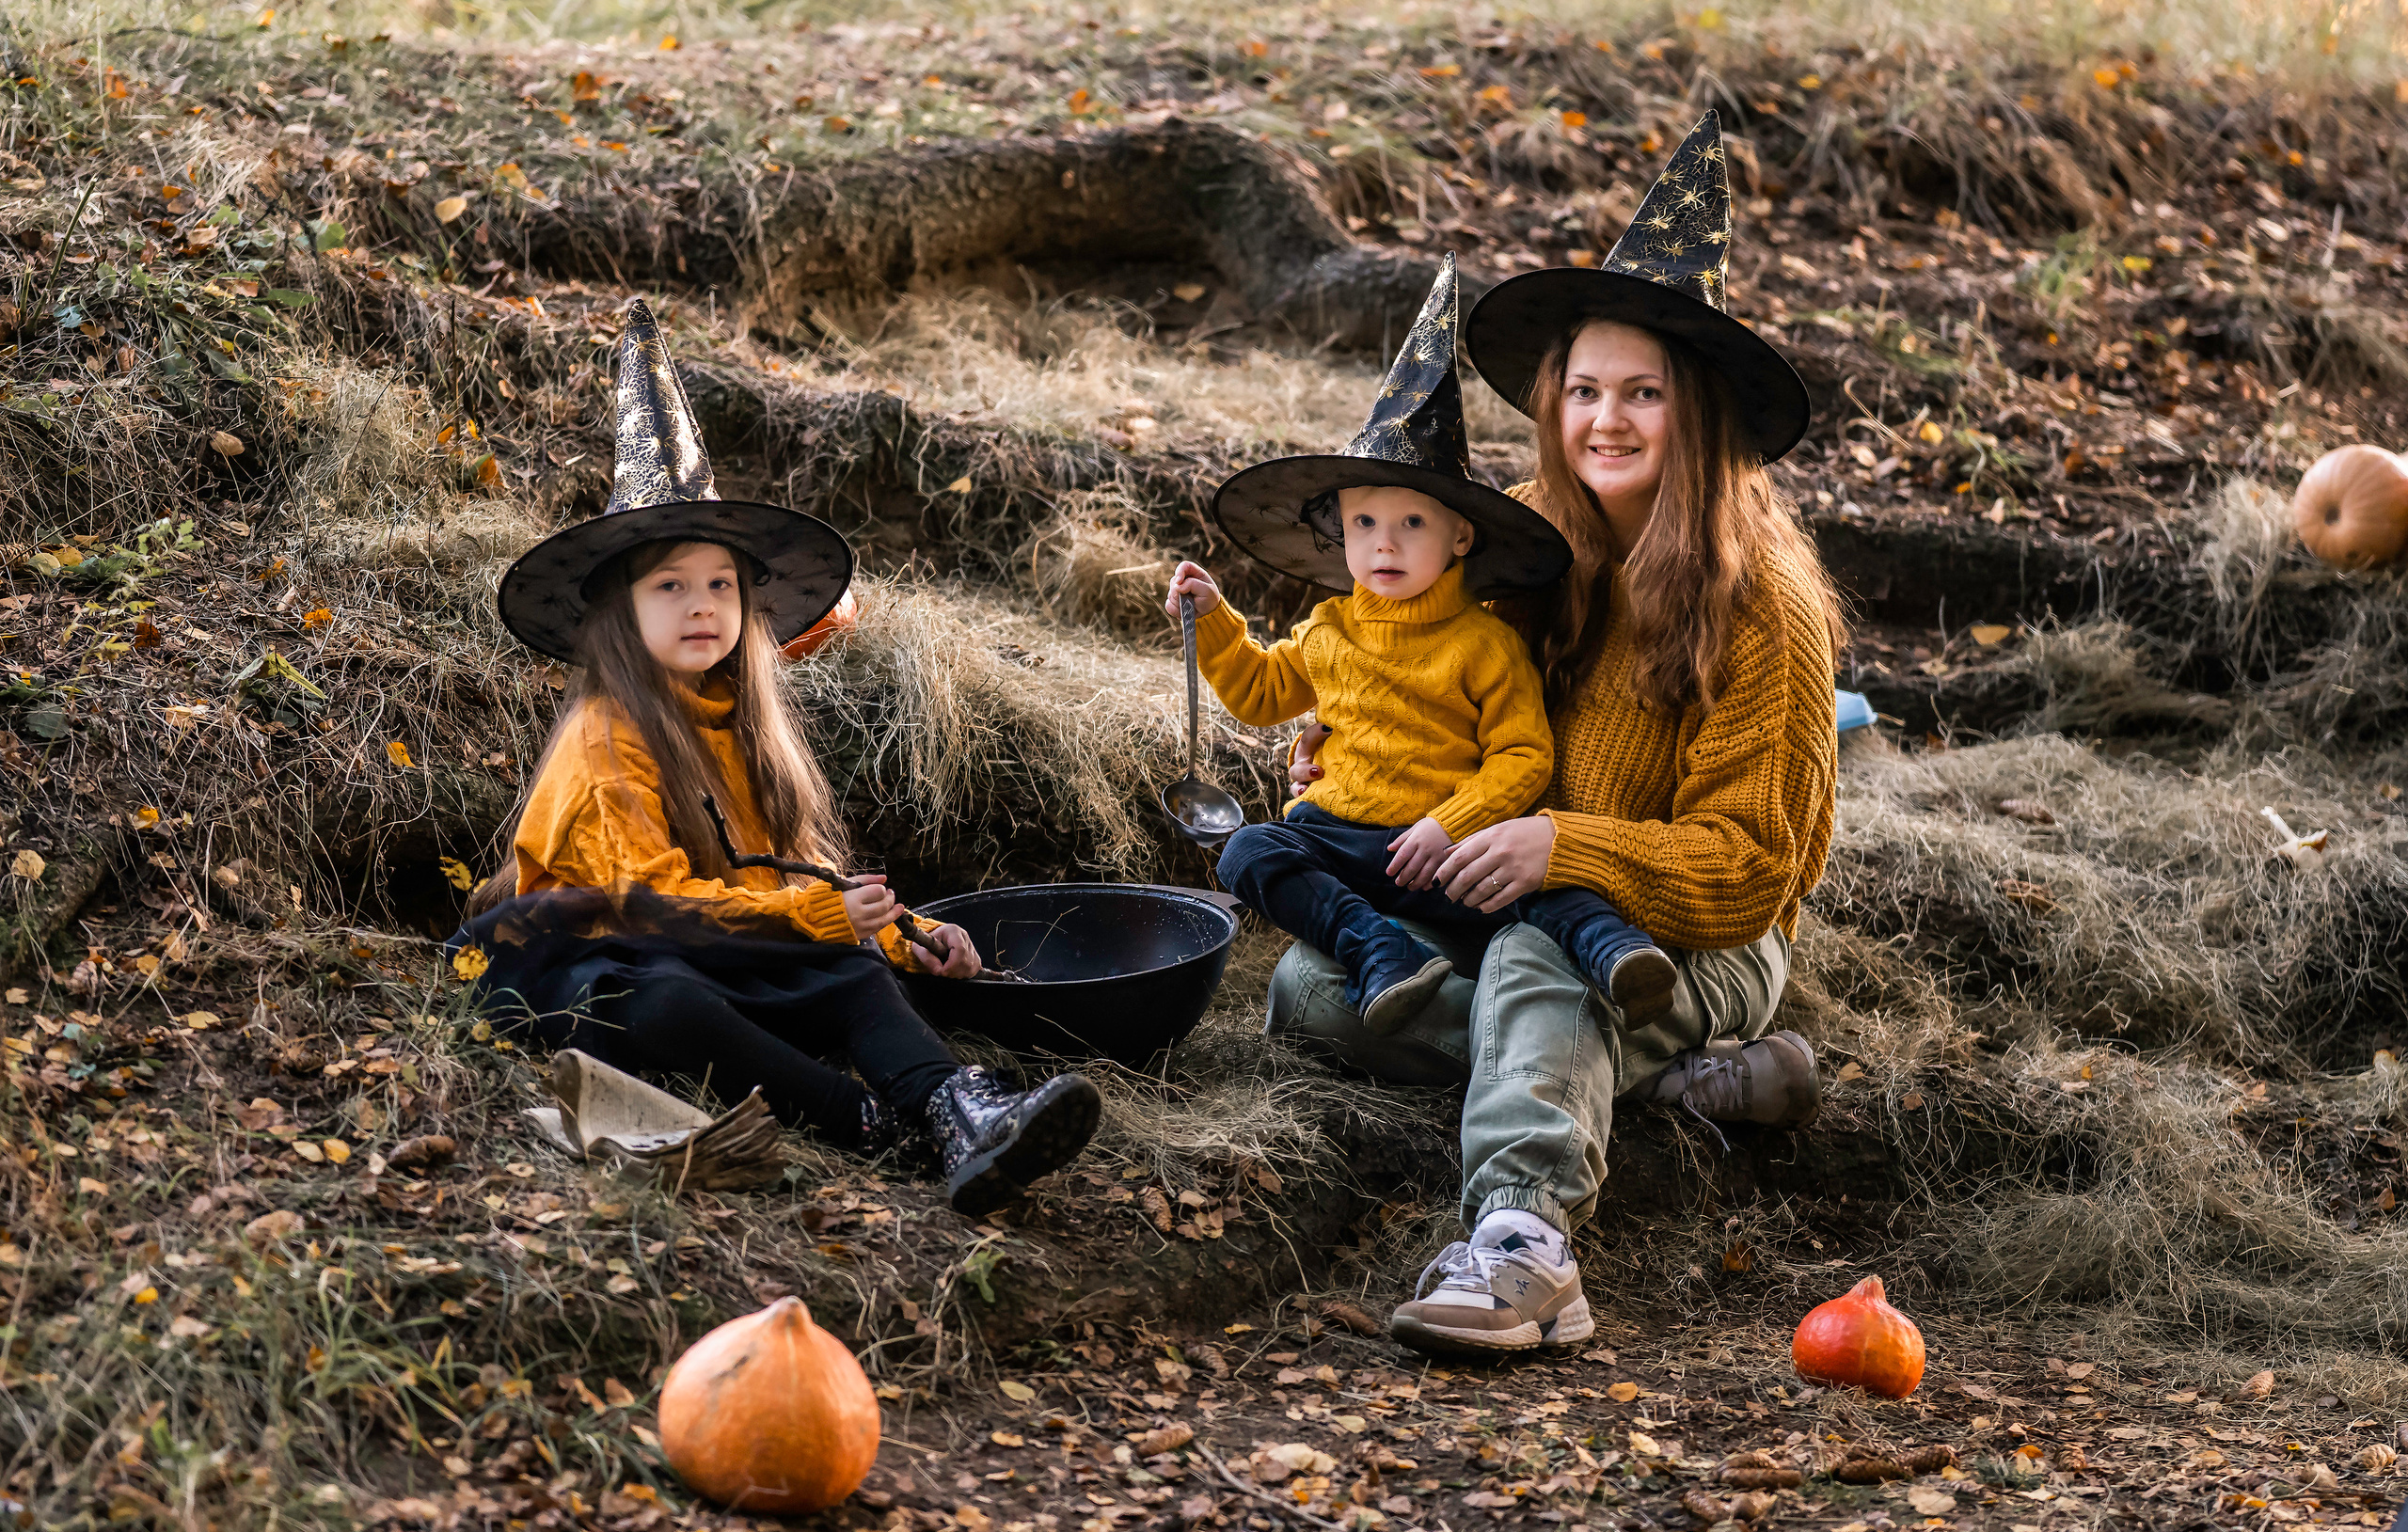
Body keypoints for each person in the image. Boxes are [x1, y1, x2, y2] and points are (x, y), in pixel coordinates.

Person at [1263, 114, 1847, 1354]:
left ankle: (1525, 1245)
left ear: (1697, 411)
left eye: (1643, 394)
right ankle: (1682, 1084)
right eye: (1584, 391)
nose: (1606, 421)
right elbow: (1422, 682)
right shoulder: (1524, 542)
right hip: (1516, 889)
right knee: (1313, 986)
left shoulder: (1764, 606)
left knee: (1535, 962)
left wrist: (1563, 846)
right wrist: (1349, 747)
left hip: (1698, 934)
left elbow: (1751, 867)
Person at [455, 298, 1098, 1216]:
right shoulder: (605, 737)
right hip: (595, 960)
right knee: (671, 1002)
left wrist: (900, 932)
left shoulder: (741, 726)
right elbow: (648, 910)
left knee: (850, 972)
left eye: (720, 584)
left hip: (707, 949)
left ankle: (958, 1109)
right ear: (620, 614)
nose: (701, 605)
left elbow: (786, 884)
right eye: (669, 586)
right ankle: (864, 1120)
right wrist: (818, 916)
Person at [1173, 256, 1677, 1039]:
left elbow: (1523, 755)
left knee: (1534, 885)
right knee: (1249, 850)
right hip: (1342, 837)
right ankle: (1377, 948)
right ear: (1340, 532)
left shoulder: (1483, 641)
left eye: (1413, 523)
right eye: (1365, 523)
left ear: (1460, 536)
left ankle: (1616, 951)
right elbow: (1261, 690)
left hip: (1444, 842)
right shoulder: (1331, 628)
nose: (1386, 543)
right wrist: (1212, 619)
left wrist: (1453, 822)